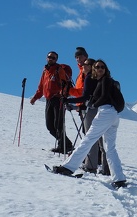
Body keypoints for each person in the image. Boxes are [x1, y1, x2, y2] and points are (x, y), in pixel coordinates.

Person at [53, 59, 127, 188]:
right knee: (110, 147)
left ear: (106, 69)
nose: (100, 69)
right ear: (94, 69)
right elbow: (87, 97)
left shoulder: (105, 80)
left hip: (105, 112)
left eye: (102, 67)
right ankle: (119, 178)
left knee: (88, 139)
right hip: (113, 115)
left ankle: (68, 167)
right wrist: (71, 100)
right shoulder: (101, 82)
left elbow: (102, 97)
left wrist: (93, 104)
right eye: (97, 67)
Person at [65, 58, 109, 175]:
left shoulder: (89, 78)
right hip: (105, 110)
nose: (82, 66)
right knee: (103, 140)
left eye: (85, 64)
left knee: (91, 138)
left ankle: (90, 166)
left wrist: (69, 100)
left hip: (92, 110)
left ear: (90, 67)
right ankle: (106, 167)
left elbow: (86, 97)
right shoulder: (104, 79)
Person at [30, 51, 74, 153]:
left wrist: (62, 94)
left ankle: (63, 146)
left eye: (53, 58)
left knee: (58, 124)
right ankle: (66, 144)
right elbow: (41, 87)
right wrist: (35, 97)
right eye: (49, 57)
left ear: (56, 59)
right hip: (49, 99)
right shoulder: (45, 70)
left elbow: (65, 83)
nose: (51, 59)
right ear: (46, 58)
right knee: (50, 126)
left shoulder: (59, 70)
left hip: (58, 99)